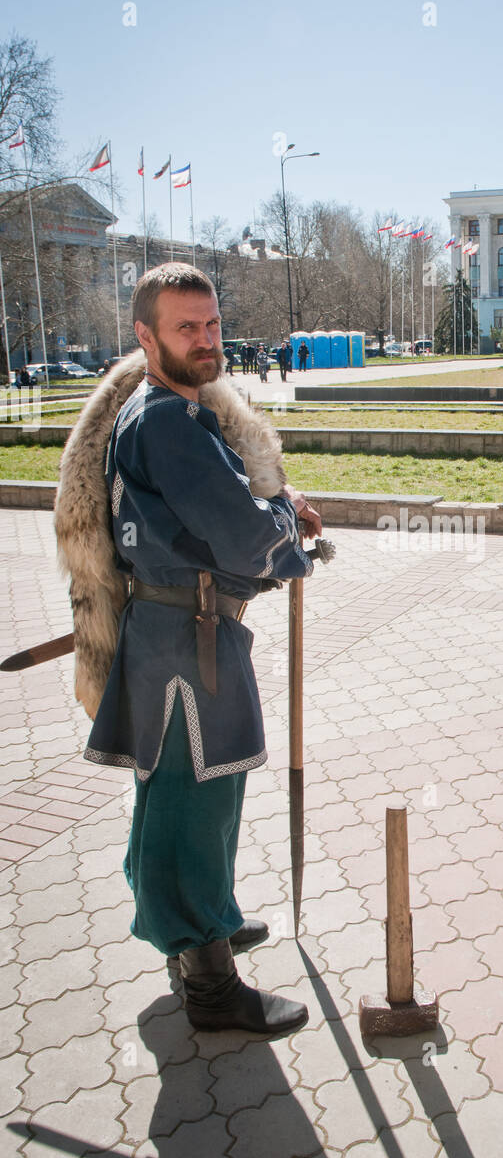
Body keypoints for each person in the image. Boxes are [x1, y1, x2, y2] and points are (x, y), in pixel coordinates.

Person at [56, 262, 323, 1034]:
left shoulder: (168, 411)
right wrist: (288, 536)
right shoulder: (167, 420)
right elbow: (243, 537)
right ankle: (207, 981)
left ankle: (205, 918)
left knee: (191, 795)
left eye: (211, 325)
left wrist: (275, 506)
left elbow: (228, 501)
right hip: (186, 640)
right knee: (192, 802)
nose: (206, 342)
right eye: (186, 329)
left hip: (178, 632)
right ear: (146, 336)